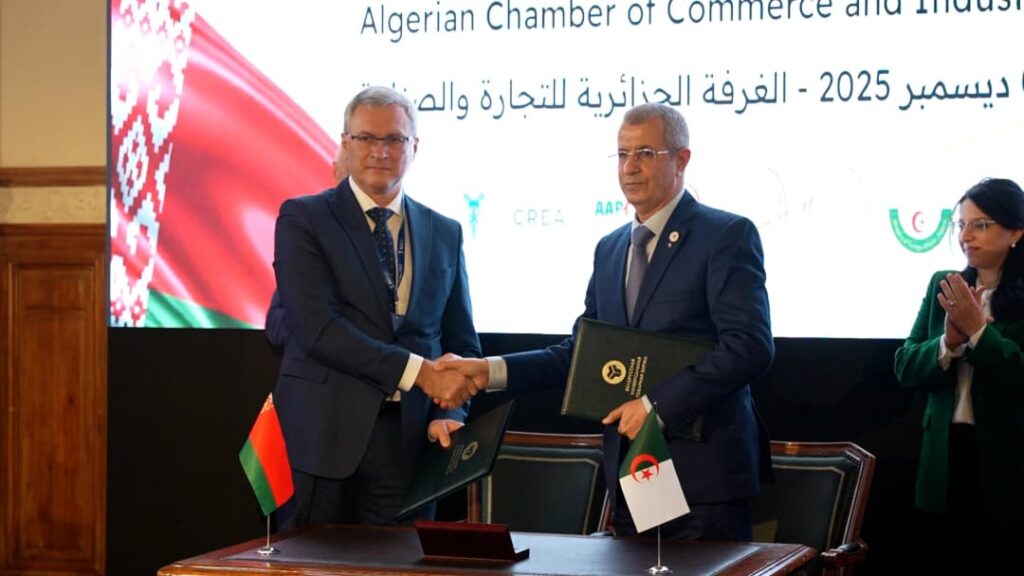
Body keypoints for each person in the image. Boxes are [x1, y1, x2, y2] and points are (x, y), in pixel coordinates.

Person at [438, 103, 774, 541]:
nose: (630, 167)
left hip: (704, 478)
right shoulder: (611, 249)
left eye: (645, 154)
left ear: (681, 160)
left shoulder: (725, 235)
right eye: (623, 154)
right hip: (634, 475)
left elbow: (749, 347)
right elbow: (581, 354)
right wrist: (489, 371)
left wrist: (655, 407)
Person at [271, 86, 480, 527]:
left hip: (410, 446)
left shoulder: (445, 231)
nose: (380, 151)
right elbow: (318, 329)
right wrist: (420, 373)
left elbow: (461, 343)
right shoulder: (303, 219)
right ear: (346, 143)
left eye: (394, 140)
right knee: (310, 561)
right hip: (323, 437)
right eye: (366, 138)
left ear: (414, 147)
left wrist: (449, 411)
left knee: (403, 562)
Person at [894, 178, 1024, 558]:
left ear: (1016, 231)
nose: (965, 236)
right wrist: (947, 343)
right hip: (945, 457)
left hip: (1008, 463)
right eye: (960, 225)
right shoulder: (945, 285)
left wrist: (979, 332)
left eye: (979, 225)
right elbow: (905, 366)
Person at [266, 145, 349, 352]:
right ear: (335, 171)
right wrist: (325, 333)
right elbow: (277, 326)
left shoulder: (409, 231)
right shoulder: (308, 231)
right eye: (351, 174)